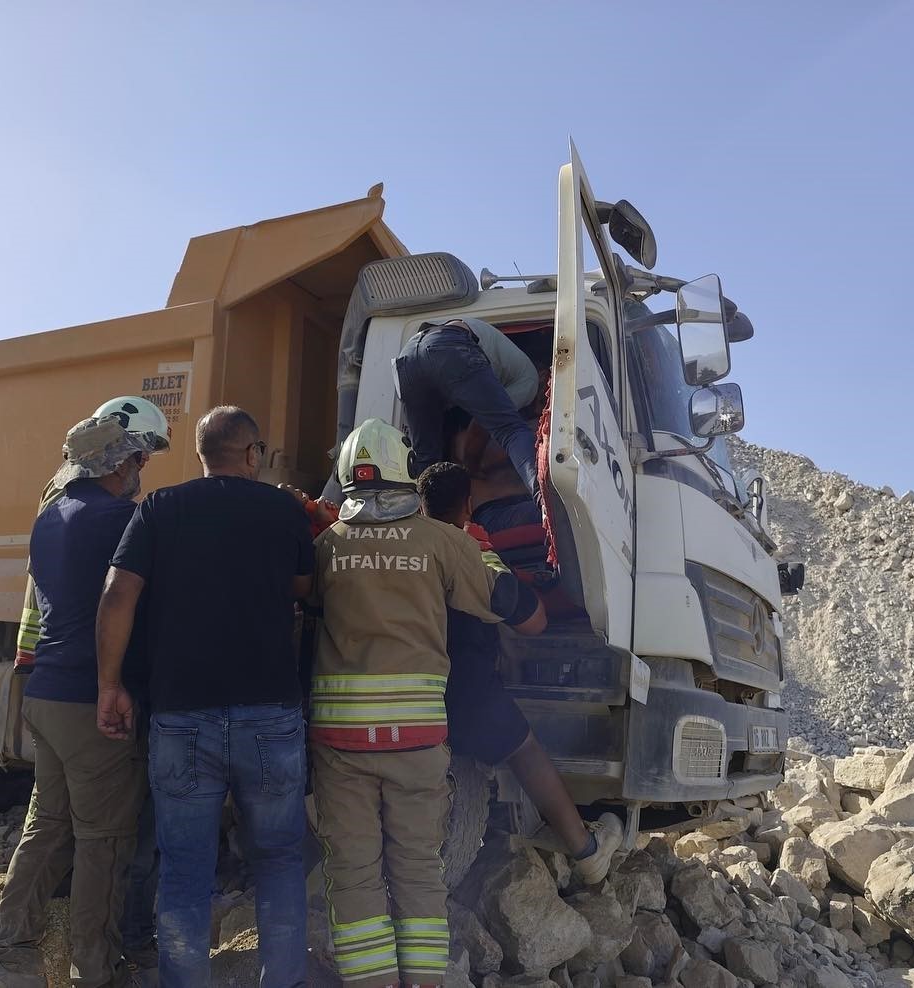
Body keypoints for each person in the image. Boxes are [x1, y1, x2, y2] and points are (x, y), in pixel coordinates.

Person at [96, 405, 314, 988]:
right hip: (270, 715)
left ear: (199, 455)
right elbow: (305, 587)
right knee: (279, 860)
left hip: (182, 717)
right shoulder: (280, 509)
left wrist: (110, 684)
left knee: (186, 868)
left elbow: (117, 596)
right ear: (252, 454)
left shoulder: (161, 509)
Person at [307, 419, 530, 988]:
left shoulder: (328, 545)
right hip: (417, 741)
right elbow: (509, 603)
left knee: (354, 873)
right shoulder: (440, 540)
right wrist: (489, 562)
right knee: (417, 871)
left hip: (341, 745)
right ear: (406, 476)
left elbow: (302, 611)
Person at [0, 414, 166, 988]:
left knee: (49, 826)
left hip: (49, 693)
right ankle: (96, 966)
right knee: (104, 840)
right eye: (138, 459)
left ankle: (8, 954)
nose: (142, 470)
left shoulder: (50, 519)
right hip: (93, 703)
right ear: (117, 463)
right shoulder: (120, 520)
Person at [415, 462, 621, 884]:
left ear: (420, 505)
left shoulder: (402, 546)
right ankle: (586, 849)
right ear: (468, 505)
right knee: (524, 750)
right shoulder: (472, 547)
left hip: (405, 684)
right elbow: (533, 621)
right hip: (463, 688)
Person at [395, 316, 540, 497]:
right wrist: (472, 467)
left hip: (407, 357)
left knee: (425, 456)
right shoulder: (530, 381)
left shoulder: (506, 363)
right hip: (449, 345)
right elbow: (480, 428)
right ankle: (546, 501)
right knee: (511, 430)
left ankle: (426, 522)